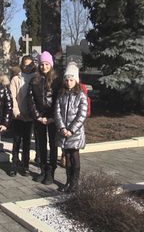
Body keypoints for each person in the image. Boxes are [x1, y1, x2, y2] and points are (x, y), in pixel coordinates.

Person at [28, 51, 61, 185]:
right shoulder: (35, 80)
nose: (44, 67)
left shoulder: (57, 80)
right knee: (41, 145)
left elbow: (59, 100)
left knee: (53, 145)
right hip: (39, 118)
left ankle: (51, 171)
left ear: (51, 65)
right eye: (42, 64)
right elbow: (31, 100)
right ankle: (42, 169)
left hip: (53, 118)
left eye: (47, 64)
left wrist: (53, 117)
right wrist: (38, 116)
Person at [55, 63, 88, 193]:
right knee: (67, 157)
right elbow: (57, 112)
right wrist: (62, 128)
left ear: (76, 80)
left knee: (74, 156)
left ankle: (75, 183)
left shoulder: (80, 95)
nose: (69, 82)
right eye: (67, 80)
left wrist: (72, 130)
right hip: (64, 132)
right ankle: (68, 181)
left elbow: (82, 114)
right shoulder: (61, 94)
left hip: (75, 133)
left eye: (71, 80)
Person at [8, 55, 37, 177]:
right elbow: (12, 96)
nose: (28, 67)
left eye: (30, 65)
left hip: (30, 115)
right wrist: (17, 112)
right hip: (18, 115)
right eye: (25, 64)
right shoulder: (16, 79)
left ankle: (25, 164)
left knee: (26, 141)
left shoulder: (36, 78)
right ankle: (14, 164)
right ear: (22, 65)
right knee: (17, 140)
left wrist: (32, 113)